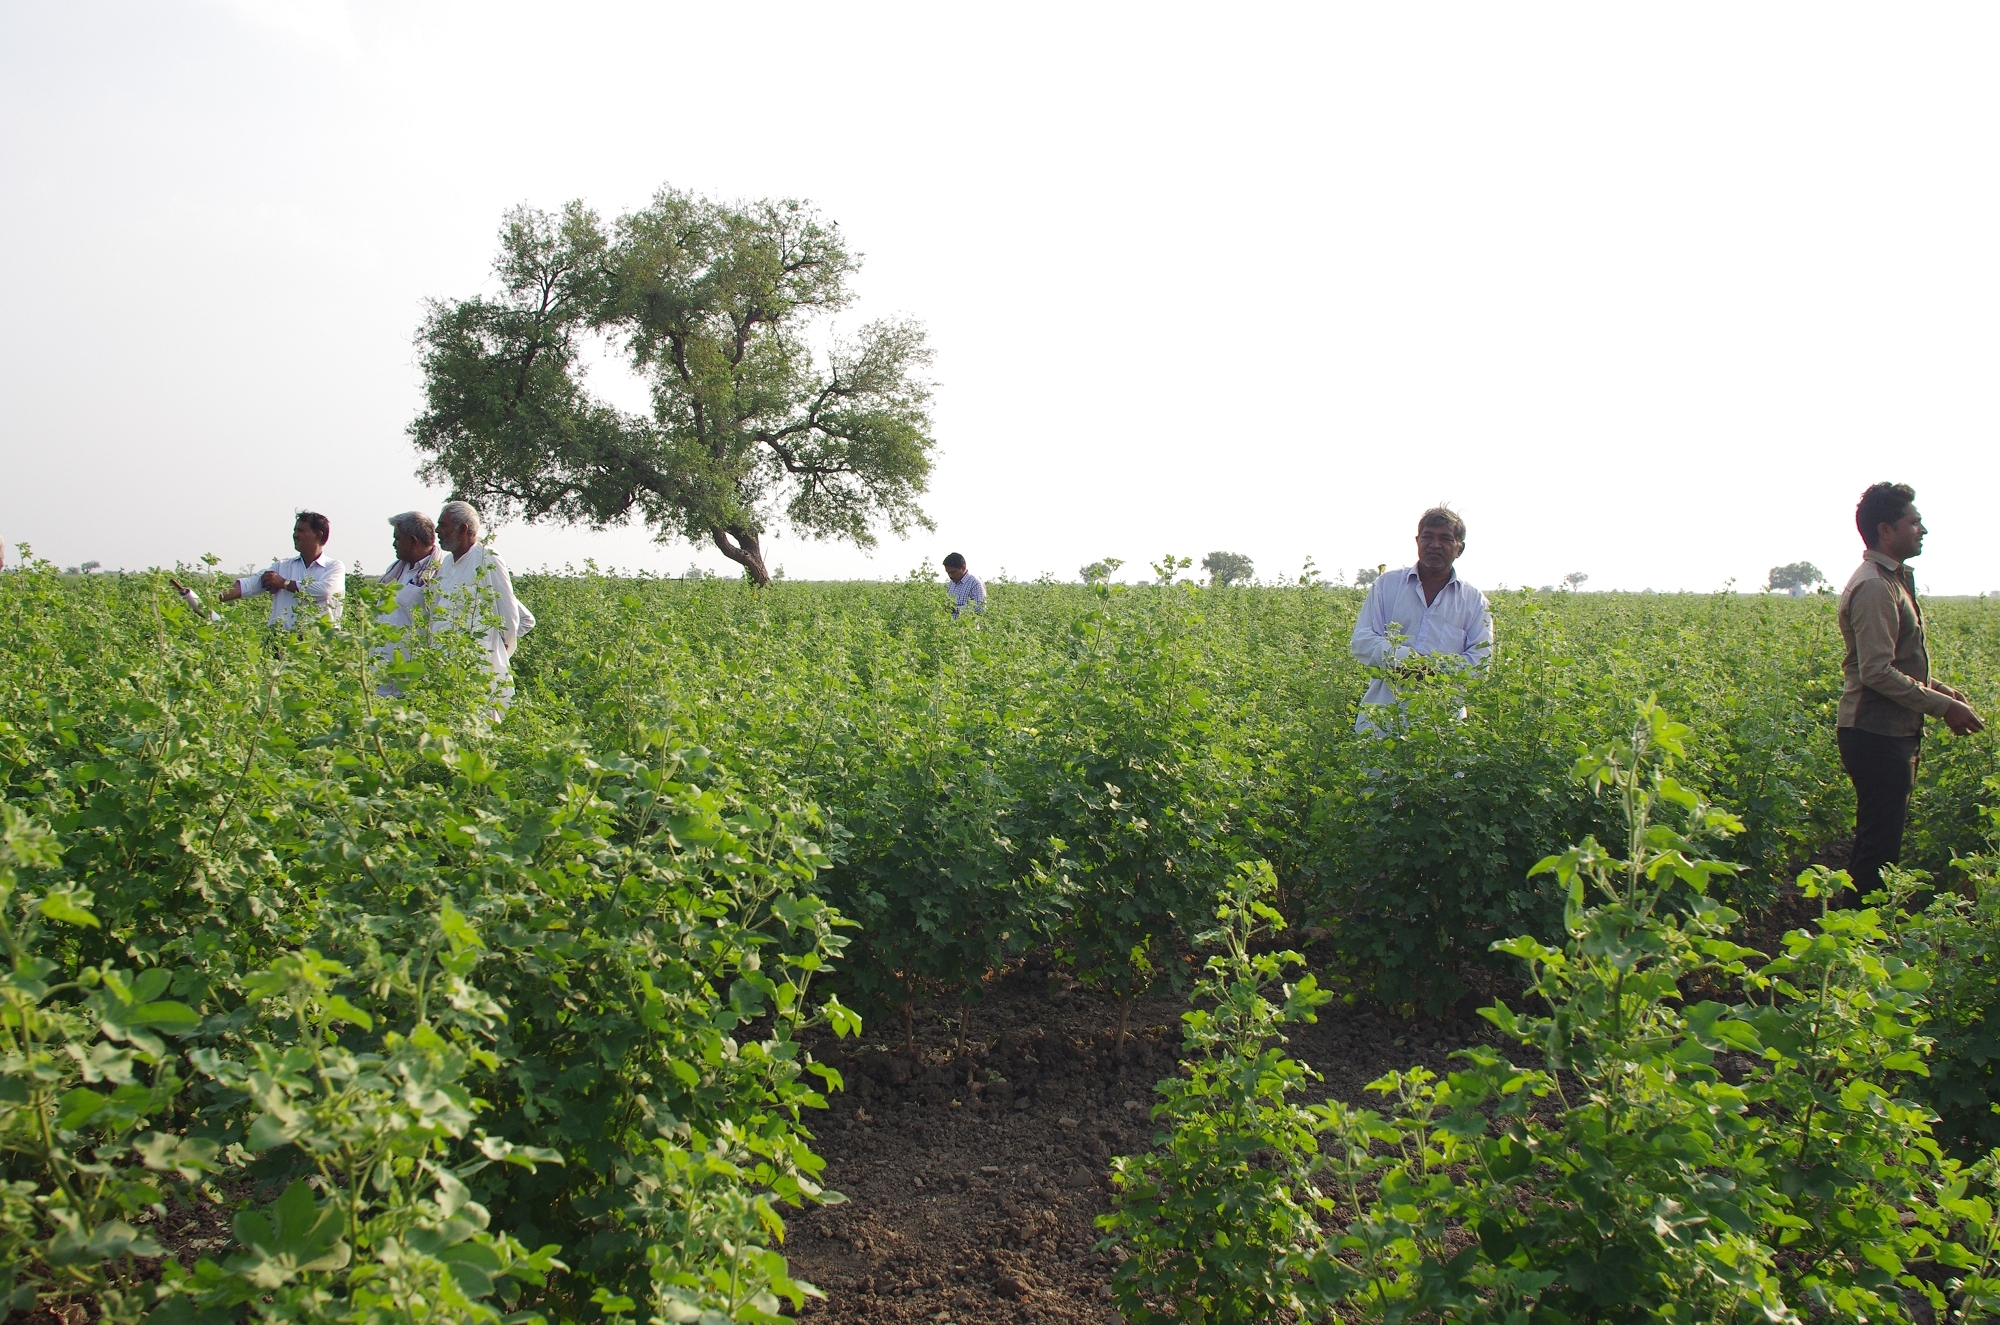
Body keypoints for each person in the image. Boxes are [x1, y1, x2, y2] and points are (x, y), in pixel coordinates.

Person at [1836, 482, 1983, 897]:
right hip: (1874, 733)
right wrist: (1942, 708)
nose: (1923, 529)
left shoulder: (1892, 580)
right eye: (1913, 522)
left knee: (1879, 843)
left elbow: (1895, 663)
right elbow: (1878, 672)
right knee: (1877, 849)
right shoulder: (1875, 587)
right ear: (1886, 530)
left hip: (1889, 732)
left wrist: (1942, 691)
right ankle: (1853, 941)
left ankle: (1854, 935)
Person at [1349, 505, 1493, 731]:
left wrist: (1432, 670)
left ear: (1459, 548)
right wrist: (1409, 661)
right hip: (1382, 719)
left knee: (1439, 766)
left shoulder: (1473, 601)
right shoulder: (1387, 586)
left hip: (1442, 727)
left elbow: (1480, 663)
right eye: (1428, 537)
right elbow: (1362, 641)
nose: (1435, 545)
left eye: (1445, 538)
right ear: (1417, 541)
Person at [431, 500, 534, 705]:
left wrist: (495, 649)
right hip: (446, 662)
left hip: (479, 664)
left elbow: (508, 614)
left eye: (443, 525)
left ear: (463, 529)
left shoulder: (487, 559)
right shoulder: (447, 564)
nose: (437, 531)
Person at [219, 511, 345, 626]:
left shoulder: (333, 567)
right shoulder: (282, 566)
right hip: (281, 643)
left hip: (318, 646)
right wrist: (212, 598)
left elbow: (325, 591)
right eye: (295, 530)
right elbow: (248, 586)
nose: (295, 535)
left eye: (301, 531)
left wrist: (284, 583)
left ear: (318, 535)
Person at [377, 510, 443, 630]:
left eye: (398, 539)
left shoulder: (437, 574)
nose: (394, 544)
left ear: (413, 541)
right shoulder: (394, 570)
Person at [944, 552, 985, 617]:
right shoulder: (951, 583)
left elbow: (980, 609)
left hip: (968, 627)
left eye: (953, 572)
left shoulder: (975, 583)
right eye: (948, 572)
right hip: (950, 626)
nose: (950, 575)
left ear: (963, 568)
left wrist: (954, 609)